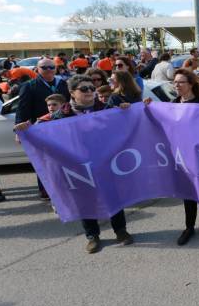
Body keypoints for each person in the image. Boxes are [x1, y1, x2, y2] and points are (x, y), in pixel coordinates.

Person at [17, 75, 134, 253]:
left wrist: (126, 110)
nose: (90, 91)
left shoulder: (107, 109)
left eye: (91, 88)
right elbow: (41, 131)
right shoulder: (60, 114)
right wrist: (26, 130)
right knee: (85, 199)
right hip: (76, 165)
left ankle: (121, 230)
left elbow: (124, 123)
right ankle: (92, 236)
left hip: (104, 161)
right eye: (84, 89)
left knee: (112, 195)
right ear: (72, 93)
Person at [166, 69, 199, 245]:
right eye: (175, 82)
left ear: (190, 84)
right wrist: (148, 104)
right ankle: (189, 228)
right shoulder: (172, 104)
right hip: (182, 156)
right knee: (188, 194)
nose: (177, 85)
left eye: (181, 82)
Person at [14, 58, 71, 200]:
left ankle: (66, 187)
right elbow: (22, 109)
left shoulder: (63, 84)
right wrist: (19, 130)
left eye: (52, 67)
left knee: (63, 159)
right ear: (37, 69)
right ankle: (46, 190)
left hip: (62, 128)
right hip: (40, 129)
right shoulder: (29, 86)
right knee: (44, 160)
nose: (49, 69)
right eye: (44, 67)